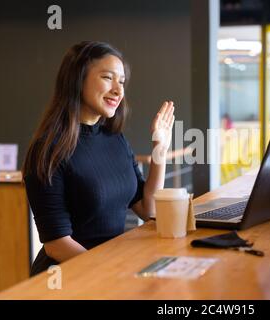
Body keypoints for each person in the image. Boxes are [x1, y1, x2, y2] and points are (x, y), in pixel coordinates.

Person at [22, 41, 175, 276]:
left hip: (111, 266)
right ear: (77, 79)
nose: (118, 90)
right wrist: (112, 270)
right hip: (69, 276)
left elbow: (148, 209)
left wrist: (160, 148)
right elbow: (57, 245)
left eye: (122, 82)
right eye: (107, 78)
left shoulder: (114, 138)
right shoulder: (47, 150)